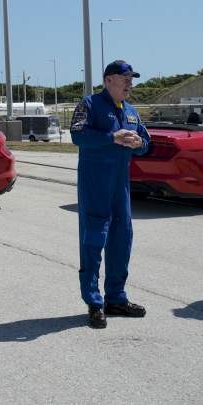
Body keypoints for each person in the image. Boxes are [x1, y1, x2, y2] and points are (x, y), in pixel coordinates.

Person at [72, 60, 151, 328]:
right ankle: (94, 303)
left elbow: (145, 141)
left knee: (122, 239)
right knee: (94, 240)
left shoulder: (130, 111)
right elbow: (78, 135)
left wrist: (140, 143)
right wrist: (111, 137)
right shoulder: (89, 104)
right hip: (95, 186)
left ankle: (116, 298)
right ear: (108, 80)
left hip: (121, 188)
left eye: (132, 79)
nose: (130, 83)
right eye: (124, 78)